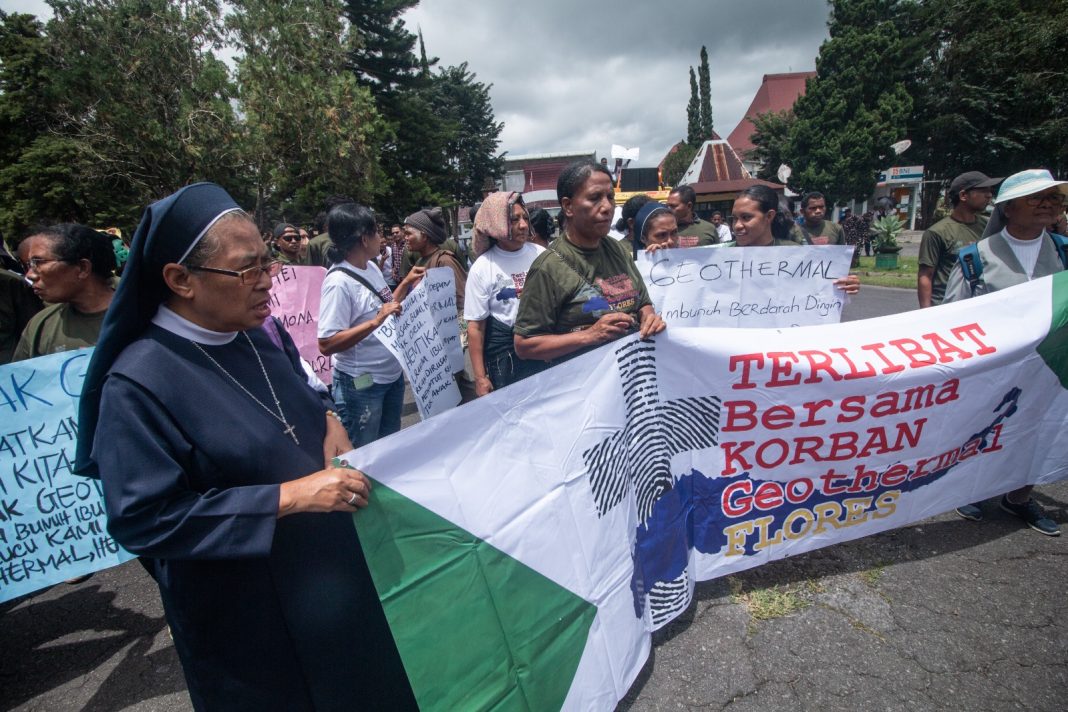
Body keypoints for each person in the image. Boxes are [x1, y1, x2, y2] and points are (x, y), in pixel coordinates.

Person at [75, 183, 417, 710]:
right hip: (245, 618)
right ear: (179, 280)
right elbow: (142, 518)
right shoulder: (137, 383)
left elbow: (302, 394)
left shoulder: (257, 331)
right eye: (247, 270)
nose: (268, 283)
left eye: (268, 264)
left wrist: (329, 419)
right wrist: (288, 498)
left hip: (329, 583)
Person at [943, 169, 1068, 536]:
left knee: (1040, 430)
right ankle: (974, 489)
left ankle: (1019, 495)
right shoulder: (974, 259)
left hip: (1051, 365)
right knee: (986, 427)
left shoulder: (1063, 254)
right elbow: (953, 319)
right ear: (1009, 208)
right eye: (1035, 198)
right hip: (992, 369)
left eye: (1054, 198)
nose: (1047, 204)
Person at [514, 159, 665, 362]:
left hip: (631, 376)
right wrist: (589, 336)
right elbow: (524, 345)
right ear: (568, 206)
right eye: (595, 198)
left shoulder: (617, 249)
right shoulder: (548, 268)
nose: (607, 207)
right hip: (583, 385)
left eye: (610, 197)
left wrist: (649, 319)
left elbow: (644, 303)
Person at [319, 203, 424, 446]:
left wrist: (406, 283)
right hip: (362, 385)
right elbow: (326, 343)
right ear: (364, 239)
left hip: (391, 377)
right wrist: (375, 322)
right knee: (363, 453)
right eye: (377, 232)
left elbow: (386, 305)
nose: (382, 237)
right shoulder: (338, 283)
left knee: (388, 447)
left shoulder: (372, 267)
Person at [465, 191, 545, 396]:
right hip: (505, 363)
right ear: (495, 223)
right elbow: (476, 327)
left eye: (525, 217)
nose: (523, 225)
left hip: (544, 353)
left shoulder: (542, 256)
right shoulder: (483, 267)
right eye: (514, 219)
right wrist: (481, 378)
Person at [729, 185, 861, 294]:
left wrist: (846, 283)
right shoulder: (718, 256)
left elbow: (821, 287)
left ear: (769, 216)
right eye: (734, 218)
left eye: (746, 217)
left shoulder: (798, 253)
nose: (737, 225)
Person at [13, 224, 115, 361]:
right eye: (28, 265)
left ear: (82, 268)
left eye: (38, 262)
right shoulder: (41, 326)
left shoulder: (143, 315)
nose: (30, 275)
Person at [404, 207, 475, 401]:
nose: (406, 238)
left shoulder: (444, 261)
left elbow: (463, 302)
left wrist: (458, 342)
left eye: (409, 233)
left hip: (447, 342)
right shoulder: (420, 262)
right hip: (431, 342)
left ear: (424, 235)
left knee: (452, 386)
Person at [917, 171, 1000, 307]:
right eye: (983, 190)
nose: (989, 195)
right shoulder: (937, 232)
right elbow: (926, 275)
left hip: (980, 303)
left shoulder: (989, 226)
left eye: (990, 191)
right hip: (946, 305)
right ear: (963, 195)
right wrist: (926, 314)